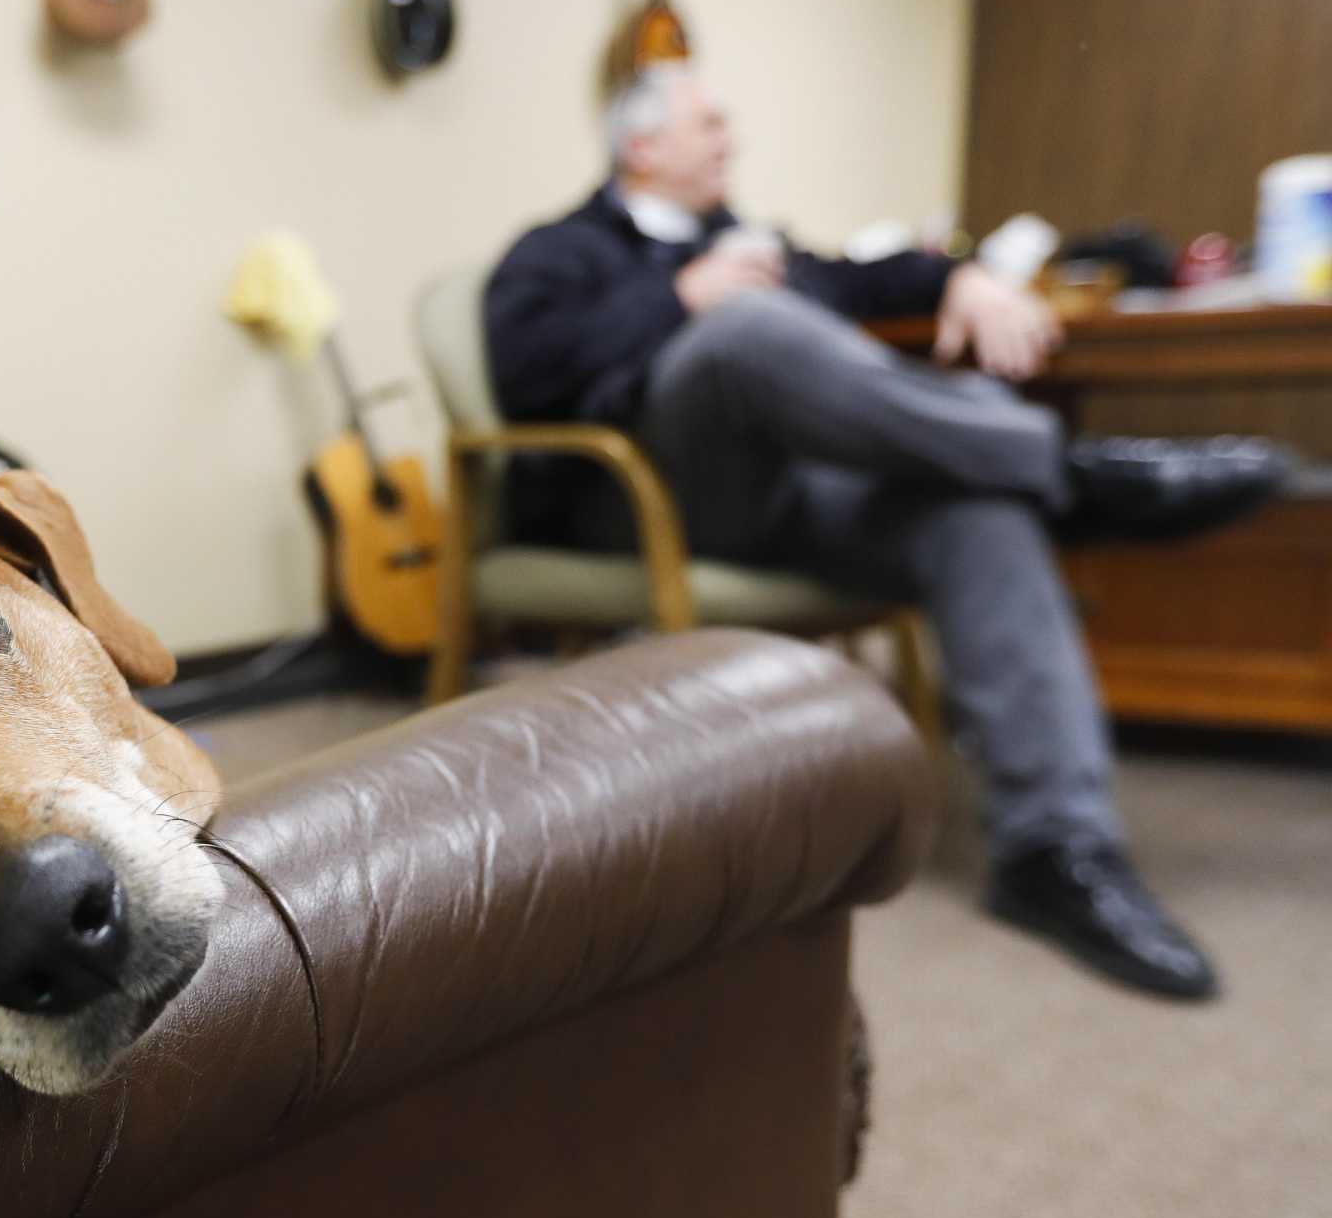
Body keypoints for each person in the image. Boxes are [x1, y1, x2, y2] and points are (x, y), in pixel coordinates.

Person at [483, 64, 1291, 1001]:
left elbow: (873, 276)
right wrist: (681, 299)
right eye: (711, 123)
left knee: (973, 506)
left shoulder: (754, 241)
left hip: (795, 502)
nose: (730, 140)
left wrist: (968, 278)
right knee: (746, 330)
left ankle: (1055, 853)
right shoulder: (561, 252)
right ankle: (1064, 473)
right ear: (642, 146)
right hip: (650, 503)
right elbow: (523, 368)